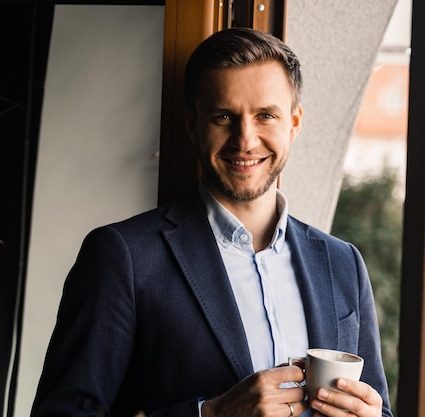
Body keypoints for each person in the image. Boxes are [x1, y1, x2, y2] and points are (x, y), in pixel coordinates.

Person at [31, 27, 393, 417]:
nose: (245, 139)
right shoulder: (123, 257)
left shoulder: (343, 263)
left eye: (266, 115)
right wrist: (212, 414)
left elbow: (379, 408)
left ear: (294, 123)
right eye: (223, 116)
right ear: (193, 125)